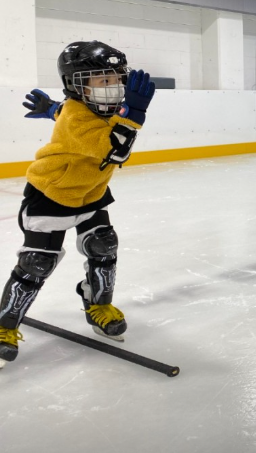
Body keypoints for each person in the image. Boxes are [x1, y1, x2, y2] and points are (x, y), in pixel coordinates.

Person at [0, 41, 155, 366]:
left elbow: (67, 111)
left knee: (103, 247)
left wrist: (49, 108)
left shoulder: (85, 107)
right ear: (78, 86)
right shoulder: (77, 116)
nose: (112, 88)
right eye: (102, 81)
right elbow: (115, 149)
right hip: (52, 196)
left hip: (91, 193)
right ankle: (3, 327)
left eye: (115, 79)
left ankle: (97, 304)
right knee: (37, 263)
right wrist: (136, 112)